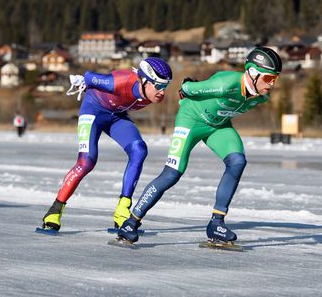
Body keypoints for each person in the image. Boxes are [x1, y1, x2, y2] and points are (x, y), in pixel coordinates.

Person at [117, 47, 282, 245]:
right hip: (191, 121)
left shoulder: (261, 96)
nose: (271, 84)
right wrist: (187, 89)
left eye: (275, 79)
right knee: (172, 173)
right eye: (268, 78)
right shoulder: (224, 84)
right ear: (253, 73)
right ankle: (131, 223)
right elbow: (186, 89)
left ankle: (216, 223)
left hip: (218, 126)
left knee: (237, 161)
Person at [40, 57, 173, 232]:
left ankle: (122, 210)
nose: (162, 92)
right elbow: (89, 76)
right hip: (93, 110)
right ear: (144, 81)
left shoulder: (150, 91)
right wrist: (82, 81)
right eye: (158, 86)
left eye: (165, 87)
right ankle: (54, 210)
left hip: (116, 115)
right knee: (87, 161)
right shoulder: (120, 81)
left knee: (139, 150)